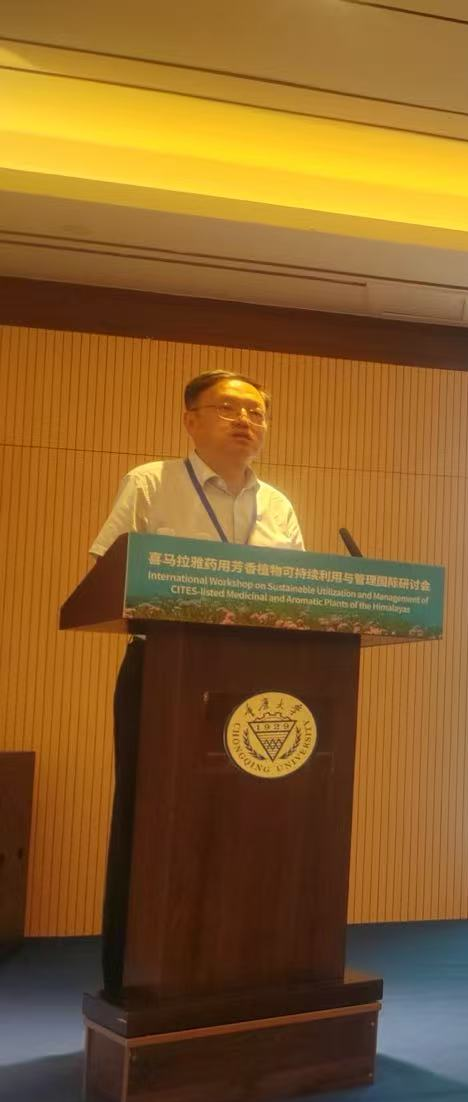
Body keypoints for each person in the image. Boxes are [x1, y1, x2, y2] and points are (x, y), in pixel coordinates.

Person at [89, 370, 304, 997]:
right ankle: (137, 972)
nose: (246, 421)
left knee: (248, 821)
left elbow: (299, 597)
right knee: (152, 818)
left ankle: (243, 958)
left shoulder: (278, 504)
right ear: (190, 420)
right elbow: (106, 574)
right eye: (230, 408)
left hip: (258, 682)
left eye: (257, 413)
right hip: (164, 673)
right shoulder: (151, 482)